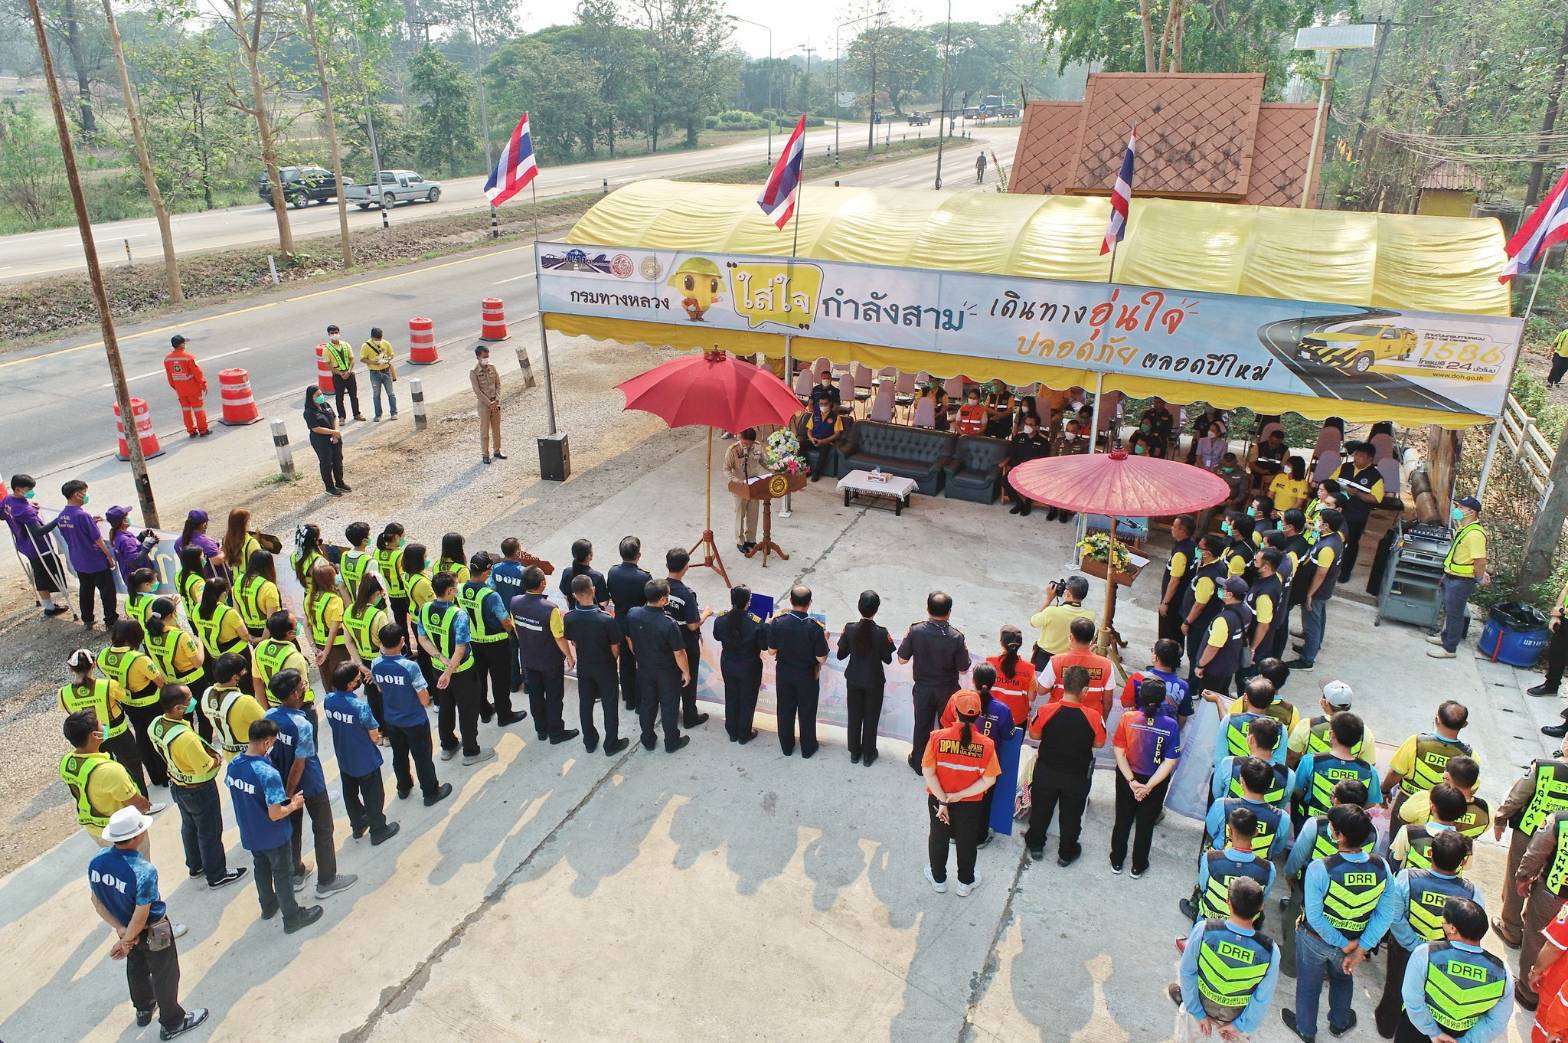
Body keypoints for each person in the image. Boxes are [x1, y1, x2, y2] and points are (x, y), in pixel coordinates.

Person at [88, 806, 208, 1040]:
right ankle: (173, 1022)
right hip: (153, 930)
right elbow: (141, 915)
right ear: (137, 837)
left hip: (125, 927)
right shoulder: (143, 870)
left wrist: (121, 931)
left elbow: (97, 901)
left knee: (137, 968)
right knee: (165, 973)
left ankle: (143, 1008)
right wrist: (126, 939)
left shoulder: (97, 862)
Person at [1283, 803, 1398, 1042]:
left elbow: (1315, 916)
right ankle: (1339, 1023)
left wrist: (1343, 943)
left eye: (1332, 827)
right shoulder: (1382, 867)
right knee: (1343, 978)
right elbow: (1386, 913)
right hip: (1354, 940)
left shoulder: (1320, 868)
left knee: (1309, 983)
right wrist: (1360, 948)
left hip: (1315, 939)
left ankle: (1306, 1029)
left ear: (1339, 835)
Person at [1377, 830, 1483, 1036]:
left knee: (1396, 987)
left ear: (1430, 853)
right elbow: (1473, 931)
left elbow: (1394, 915)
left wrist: (1415, 945)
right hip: (1443, 957)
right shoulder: (1472, 893)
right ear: (1463, 862)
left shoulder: (1407, 878)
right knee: (1430, 995)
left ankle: (1387, 1027)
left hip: (1404, 949)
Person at [224, 718, 322, 934]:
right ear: (267, 742)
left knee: (261, 867)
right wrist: (294, 804)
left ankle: (268, 906)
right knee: (282, 873)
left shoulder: (234, 765)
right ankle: (292, 917)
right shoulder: (267, 773)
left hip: (250, 831)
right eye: (273, 742)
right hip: (273, 835)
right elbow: (275, 813)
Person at [266, 669, 355, 899]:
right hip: (310, 784)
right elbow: (299, 764)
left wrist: (285, 795)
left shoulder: (270, 716)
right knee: (323, 828)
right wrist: (289, 792)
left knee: (292, 828)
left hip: (284, 783)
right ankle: (327, 880)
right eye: (302, 686)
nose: (305, 687)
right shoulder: (301, 724)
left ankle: (296, 872)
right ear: (295, 694)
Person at [1169, 877, 1279, 1043]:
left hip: (1199, 1009)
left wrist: (1197, 1011)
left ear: (1228, 903)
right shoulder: (1270, 951)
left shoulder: (1204, 930)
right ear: (1261, 907)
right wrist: (1240, 1026)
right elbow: (1262, 998)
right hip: (1236, 1018)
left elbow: (1187, 971)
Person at [1024, 665, 1106, 866]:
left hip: (1046, 771)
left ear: (1063, 685)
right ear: (1085, 690)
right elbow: (1099, 743)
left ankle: (1035, 846)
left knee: (1041, 810)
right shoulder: (1094, 716)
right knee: (1072, 816)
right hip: (1077, 777)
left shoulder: (1045, 710)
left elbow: (1034, 735)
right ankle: (1066, 853)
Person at [922, 690, 999, 896]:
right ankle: (965, 883)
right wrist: (960, 795)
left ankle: (938, 879)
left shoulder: (937, 737)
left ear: (955, 712)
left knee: (938, 838)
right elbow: (989, 780)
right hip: (970, 805)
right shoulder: (987, 744)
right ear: (978, 715)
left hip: (938, 800)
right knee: (967, 841)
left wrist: (943, 801)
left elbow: (928, 772)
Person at [1495, 734, 1568, 951]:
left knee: (1517, 877)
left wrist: (1500, 818)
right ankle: (1536, 929)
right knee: (1546, 883)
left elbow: (1517, 796)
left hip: (1529, 833)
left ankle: (1511, 929)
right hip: (1562, 842)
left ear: (1566, 744)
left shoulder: (1544, 768)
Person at [371, 624, 452, 806]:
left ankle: (404, 786)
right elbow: (424, 699)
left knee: (399, 755)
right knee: (422, 758)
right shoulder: (409, 667)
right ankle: (430, 792)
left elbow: (380, 688)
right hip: (414, 721)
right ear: (402, 641)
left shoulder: (376, 664)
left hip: (392, 720)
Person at [419, 571, 493, 764]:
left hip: (438, 669)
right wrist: (449, 670)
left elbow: (422, 638)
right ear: (450, 591)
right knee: (468, 710)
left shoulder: (425, 609)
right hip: (462, 672)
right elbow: (460, 649)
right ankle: (471, 751)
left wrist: (441, 659)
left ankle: (448, 745)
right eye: (456, 586)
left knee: (445, 707)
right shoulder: (459, 615)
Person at [1109, 678, 1181, 878]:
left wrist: (1132, 781)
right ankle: (1138, 866)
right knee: (1145, 824)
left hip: (1127, 779)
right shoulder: (1171, 725)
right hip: (1155, 782)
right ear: (1163, 700)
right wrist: (1148, 786)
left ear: (1140, 697)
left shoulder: (1127, 718)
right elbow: (1169, 761)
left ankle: (1117, 860)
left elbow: (1119, 752)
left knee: (1122, 819)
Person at [323, 662, 399, 845]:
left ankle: (358, 825)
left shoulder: (329, 700)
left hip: (344, 757)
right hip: (365, 759)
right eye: (358, 678)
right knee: (373, 795)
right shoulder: (360, 707)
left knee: (350, 794)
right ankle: (378, 829)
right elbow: (374, 736)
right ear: (350, 684)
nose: (360, 680)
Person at [61, 709, 164, 842]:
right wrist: (146, 806)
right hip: (124, 832)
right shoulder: (110, 770)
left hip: (95, 829)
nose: (104, 727)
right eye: (101, 725)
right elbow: (136, 802)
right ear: (95, 735)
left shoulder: (67, 761)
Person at [899, 591, 971, 774]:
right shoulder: (956, 637)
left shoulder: (916, 631)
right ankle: (942, 765)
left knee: (922, 726)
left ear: (927, 609)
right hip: (948, 691)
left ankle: (919, 762)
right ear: (949, 612)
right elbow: (963, 669)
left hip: (923, 689)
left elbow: (901, 659)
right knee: (947, 729)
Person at [61, 647, 147, 794]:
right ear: (94, 664)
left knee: (105, 770)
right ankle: (141, 799)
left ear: (71, 668)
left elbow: (68, 710)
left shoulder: (63, 693)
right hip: (117, 733)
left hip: (92, 739)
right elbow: (123, 696)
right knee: (132, 766)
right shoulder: (108, 685)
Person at [100, 620, 171, 788]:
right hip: (150, 704)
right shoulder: (139, 659)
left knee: (141, 736)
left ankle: (154, 776)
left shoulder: (103, 655)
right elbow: (160, 682)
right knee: (156, 736)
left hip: (127, 703)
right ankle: (166, 774)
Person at [625, 578, 690, 753]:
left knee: (647, 704)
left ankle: (647, 739)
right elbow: (679, 653)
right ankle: (671, 741)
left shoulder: (633, 614)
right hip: (667, 672)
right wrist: (686, 672)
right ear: (662, 600)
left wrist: (638, 655)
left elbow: (629, 637)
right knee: (669, 706)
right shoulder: (668, 624)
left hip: (644, 668)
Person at [564, 574, 626, 754]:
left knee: (585, 703)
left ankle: (589, 741)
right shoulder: (606, 619)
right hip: (605, 666)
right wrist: (611, 661)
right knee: (609, 704)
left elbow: (573, 641)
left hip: (584, 665)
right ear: (593, 590)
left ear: (574, 595)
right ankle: (611, 743)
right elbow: (615, 647)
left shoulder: (569, 617)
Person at [455, 552, 516, 726]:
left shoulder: (459, 589)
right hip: (496, 644)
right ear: (486, 572)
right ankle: (504, 715)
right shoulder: (490, 595)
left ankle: (485, 711)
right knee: (500, 681)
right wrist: (511, 632)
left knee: (479, 679)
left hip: (473, 643)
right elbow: (505, 621)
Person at [1384, 701, 1477, 812]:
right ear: (1464, 724)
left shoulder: (1415, 742)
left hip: (1409, 802)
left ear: (1437, 720)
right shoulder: (1470, 756)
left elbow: (1395, 772)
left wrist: (1384, 790)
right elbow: (1471, 788)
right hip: (1444, 809)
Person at [771, 584, 830, 758]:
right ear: (810, 603)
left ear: (790, 601)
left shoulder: (778, 622)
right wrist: (825, 640)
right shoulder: (815, 627)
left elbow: (771, 651)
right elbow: (822, 659)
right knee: (807, 712)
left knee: (784, 711)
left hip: (784, 674)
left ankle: (786, 746)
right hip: (807, 676)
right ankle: (808, 748)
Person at [1293, 712, 1382, 822]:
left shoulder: (1310, 761)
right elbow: (1370, 803)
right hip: (1348, 825)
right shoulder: (1369, 771)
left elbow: (1297, 790)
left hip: (1312, 821)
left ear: (1331, 734)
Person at [3, 473, 71, 616]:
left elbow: (2, 515)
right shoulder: (25, 511)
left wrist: (29, 506)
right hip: (38, 548)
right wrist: (57, 520)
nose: (31, 492)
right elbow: (38, 532)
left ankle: (48, 604)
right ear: (18, 489)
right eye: (28, 490)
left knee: (38, 572)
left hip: (23, 544)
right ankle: (49, 608)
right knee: (44, 574)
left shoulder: (8, 500)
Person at [1286, 507, 1345, 671]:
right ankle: (1313, 646)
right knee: (1319, 620)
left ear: (1326, 525)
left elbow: (1320, 574)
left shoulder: (1327, 548)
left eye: (1319, 520)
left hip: (1317, 591)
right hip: (1324, 590)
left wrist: (1310, 595)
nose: (1317, 522)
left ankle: (1307, 660)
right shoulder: (1335, 537)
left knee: (1311, 624)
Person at [55, 479, 119, 630]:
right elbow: (97, 539)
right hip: (95, 560)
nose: (86, 496)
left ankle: (87, 619)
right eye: (84, 493)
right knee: (107, 591)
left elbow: (73, 533)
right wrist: (109, 556)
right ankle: (111, 620)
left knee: (85, 589)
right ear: (76, 494)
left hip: (78, 559)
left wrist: (91, 522)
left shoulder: (62, 516)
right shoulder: (82, 516)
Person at [1431, 495, 1488, 659]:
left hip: (1462, 580)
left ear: (1471, 512)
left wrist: (1480, 577)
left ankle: (1450, 649)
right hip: (1452, 575)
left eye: (1461, 507)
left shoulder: (1475, 534)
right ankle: (1444, 637)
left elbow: (1480, 560)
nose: (1457, 510)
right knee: (1450, 611)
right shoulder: (1465, 528)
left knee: (1455, 614)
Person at [663, 548, 711, 729]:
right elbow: (693, 625)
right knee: (688, 680)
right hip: (685, 645)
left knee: (669, 680)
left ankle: (670, 713)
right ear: (686, 567)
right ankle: (690, 717)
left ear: (667, 565)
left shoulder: (658, 587)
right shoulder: (686, 594)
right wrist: (706, 614)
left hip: (664, 642)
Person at [1039, 616, 1116, 717]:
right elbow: (1108, 701)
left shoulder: (1056, 661)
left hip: (1058, 717)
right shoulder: (1106, 665)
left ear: (1071, 637)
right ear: (1092, 638)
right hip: (1090, 720)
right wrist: (1101, 721)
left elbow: (1041, 690)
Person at [607, 537, 651, 712]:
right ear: (638, 555)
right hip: (638, 625)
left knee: (625, 662)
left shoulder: (613, 572)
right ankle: (641, 701)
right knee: (641, 662)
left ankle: (629, 699)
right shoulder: (644, 577)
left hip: (619, 622)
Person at [1287, 680, 1373, 768]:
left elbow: (1291, 756)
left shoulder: (1307, 725)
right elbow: (1369, 765)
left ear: (1325, 702)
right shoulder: (1364, 731)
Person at [200, 653, 266, 764]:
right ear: (235, 678)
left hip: (229, 756)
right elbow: (268, 725)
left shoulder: (207, 694)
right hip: (252, 757)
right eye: (243, 672)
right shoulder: (244, 702)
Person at [252, 609, 315, 719]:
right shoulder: (294, 657)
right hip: (298, 709)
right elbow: (301, 691)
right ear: (289, 633)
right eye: (296, 624)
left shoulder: (259, 648)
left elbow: (257, 682)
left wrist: (267, 711)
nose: (298, 626)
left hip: (273, 706)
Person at [1334, 442, 1384, 582]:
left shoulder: (1375, 476)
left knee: (1351, 543)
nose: (1356, 458)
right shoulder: (1345, 467)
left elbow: (1376, 499)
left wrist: (1358, 494)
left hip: (1356, 515)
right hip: (1337, 510)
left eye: (1361, 456)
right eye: (1356, 455)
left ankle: (1345, 572)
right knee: (1332, 538)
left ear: (1370, 459)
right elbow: (1332, 481)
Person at [1194, 577, 1252, 699]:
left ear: (1230, 594)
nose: (1220, 590)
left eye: (1223, 588)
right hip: (1230, 665)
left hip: (1214, 669)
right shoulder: (1246, 611)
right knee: (1222, 694)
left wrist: (1200, 665)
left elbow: (1213, 647)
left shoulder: (1224, 619)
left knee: (1208, 700)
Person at [1028, 575, 1095, 668]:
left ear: (1068, 594)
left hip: (1045, 658)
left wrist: (1048, 599)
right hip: (1068, 661)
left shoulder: (1051, 612)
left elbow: (1033, 622)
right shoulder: (1090, 616)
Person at [1121, 639, 1193, 721]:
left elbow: (1126, 704)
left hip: (1138, 724)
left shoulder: (1137, 677)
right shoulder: (1183, 686)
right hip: (1167, 727)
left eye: (1153, 651)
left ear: (1156, 657)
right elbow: (1183, 716)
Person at [724, 428, 766, 553]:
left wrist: (776, 468)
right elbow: (726, 469)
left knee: (753, 514)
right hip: (740, 487)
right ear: (740, 438)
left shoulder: (757, 446)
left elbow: (765, 462)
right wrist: (735, 480)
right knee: (740, 514)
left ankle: (751, 540)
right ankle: (740, 541)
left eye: (750, 443)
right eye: (745, 443)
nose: (748, 446)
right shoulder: (732, 450)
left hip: (754, 486)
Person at [302, 385, 349, 496]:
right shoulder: (309, 412)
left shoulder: (325, 405)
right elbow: (316, 428)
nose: (321, 396)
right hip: (321, 441)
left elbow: (334, 418)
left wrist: (336, 432)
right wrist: (333, 432)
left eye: (321, 394)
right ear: (311, 398)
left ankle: (339, 482)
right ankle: (330, 487)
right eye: (317, 395)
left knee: (338, 460)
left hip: (334, 437)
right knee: (326, 463)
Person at [987, 624, 1038, 723]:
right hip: (1017, 719)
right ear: (1020, 645)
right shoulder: (1029, 669)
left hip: (991, 716)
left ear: (1001, 643)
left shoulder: (989, 662)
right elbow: (1032, 697)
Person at [1158, 516, 1198, 644]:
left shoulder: (1181, 553)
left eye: (1174, 526)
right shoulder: (1193, 545)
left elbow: (1174, 581)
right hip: (1184, 598)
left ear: (1182, 531)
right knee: (1176, 633)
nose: (1172, 528)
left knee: (1169, 633)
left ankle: (1166, 654)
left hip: (1174, 601)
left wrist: (1165, 603)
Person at [1000, 414, 1050, 516]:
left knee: (1030, 484)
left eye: (1030, 424)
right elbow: (1012, 454)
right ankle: (1019, 502)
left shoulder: (1043, 441)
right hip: (1017, 469)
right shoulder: (1018, 437)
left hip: (1032, 471)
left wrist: (1029, 469)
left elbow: (1042, 460)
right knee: (1004, 481)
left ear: (1037, 427)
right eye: (1026, 424)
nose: (1027, 426)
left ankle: (1027, 504)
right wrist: (1014, 466)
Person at [163, 333, 209, 438]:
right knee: (198, 409)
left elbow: (170, 377)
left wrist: (176, 387)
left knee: (186, 411)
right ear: (181, 345)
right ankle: (203, 430)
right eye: (184, 343)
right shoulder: (188, 358)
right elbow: (198, 373)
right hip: (193, 389)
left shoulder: (167, 359)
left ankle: (191, 431)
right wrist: (203, 384)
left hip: (180, 390)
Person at [1534, 569, 1568, 706]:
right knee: (1556, 654)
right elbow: (1566, 589)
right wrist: (1556, 614)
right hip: (1565, 620)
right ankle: (1551, 686)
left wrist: (1561, 611)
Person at [234, 549, 281, 641]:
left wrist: (247, 635)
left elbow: (236, 612)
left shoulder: (239, 581)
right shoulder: (269, 586)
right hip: (270, 632)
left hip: (249, 629)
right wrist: (263, 639)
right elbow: (271, 619)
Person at [374, 523, 410, 643]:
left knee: (401, 624)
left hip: (390, 596)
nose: (404, 539)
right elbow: (404, 576)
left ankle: (405, 648)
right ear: (396, 537)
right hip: (404, 595)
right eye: (403, 537)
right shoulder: (399, 555)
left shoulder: (376, 552)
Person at [108, 505, 157, 589]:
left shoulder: (118, 536)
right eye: (127, 516)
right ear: (123, 521)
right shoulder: (125, 540)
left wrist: (141, 536)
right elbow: (135, 560)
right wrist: (148, 545)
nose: (129, 517)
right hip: (140, 581)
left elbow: (129, 549)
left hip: (132, 579)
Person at [470, 344, 504, 464]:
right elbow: (477, 392)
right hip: (484, 405)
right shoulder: (474, 372)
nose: (486, 359)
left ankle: (497, 451)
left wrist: (497, 400)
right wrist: (490, 404)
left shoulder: (492, 367)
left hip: (495, 403)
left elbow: (498, 385)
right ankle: (485, 454)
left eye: (487, 356)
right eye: (484, 357)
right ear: (478, 357)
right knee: (484, 432)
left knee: (496, 430)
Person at [323, 324, 364, 422]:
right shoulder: (327, 349)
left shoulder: (346, 345)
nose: (334, 334)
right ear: (329, 334)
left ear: (339, 332)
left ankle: (357, 414)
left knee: (354, 396)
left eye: (336, 332)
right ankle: (341, 417)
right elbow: (327, 364)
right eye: (332, 333)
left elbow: (352, 359)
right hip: (338, 376)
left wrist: (349, 371)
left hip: (349, 373)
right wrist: (339, 373)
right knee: (339, 397)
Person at [359, 326, 398, 421]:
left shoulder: (385, 343)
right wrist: (373, 362)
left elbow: (392, 354)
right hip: (374, 373)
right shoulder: (366, 346)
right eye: (376, 339)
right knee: (376, 395)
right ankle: (378, 415)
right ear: (372, 337)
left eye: (380, 338)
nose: (378, 340)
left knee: (391, 393)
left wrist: (387, 359)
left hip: (386, 371)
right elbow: (362, 359)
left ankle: (394, 413)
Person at [558, 538, 609, 605]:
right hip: (593, 611)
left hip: (573, 610)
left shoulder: (566, 572)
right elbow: (603, 602)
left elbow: (565, 595)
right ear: (590, 556)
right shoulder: (598, 577)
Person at [805, 396, 842, 481]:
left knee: (825, 448)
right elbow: (809, 430)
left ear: (830, 404)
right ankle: (806, 469)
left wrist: (823, 441)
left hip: (826, 442)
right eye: (821, 404)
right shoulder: (814, 414)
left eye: (825, 404)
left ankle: (817, 472)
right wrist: (811, 438)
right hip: (813, 440)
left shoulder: (836, 417)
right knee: (799, 445)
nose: (823, 406)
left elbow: (837, 434)